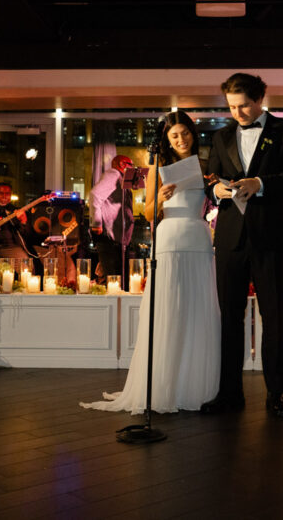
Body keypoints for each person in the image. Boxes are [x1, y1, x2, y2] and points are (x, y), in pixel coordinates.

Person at [83, 112, 220, 413]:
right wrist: (159, 198)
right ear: (167, 140)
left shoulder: (205, 165)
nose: (181, 139)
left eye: (185, 133)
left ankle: (195, 384)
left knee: (198, 309)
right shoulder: (159, 166)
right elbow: (146, 214)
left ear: (193, 134)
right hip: (169, 237)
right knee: (169, 308)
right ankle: (166, 383)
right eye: (174, 135)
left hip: (198, 237)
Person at [202, 73, 283, 420]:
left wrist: (260, 182)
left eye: (243, 105)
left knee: (273, 318)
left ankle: (276, 394)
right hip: (230, 237)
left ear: (260, 98)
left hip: (270, 235)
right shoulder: (220, 136)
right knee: (229, 318)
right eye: (232, 107)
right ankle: (229, 393)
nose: (238, 113)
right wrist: (214, 191)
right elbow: (211, 179)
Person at [88, 154, 136, 278]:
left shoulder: (119, 178)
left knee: (115, 275)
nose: (133, 168)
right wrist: (97, 223)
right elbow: (95, 195)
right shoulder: (113, 174)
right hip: (110, 238)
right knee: (113, 277)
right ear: (122, 164)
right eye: (131, 165)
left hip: (116, 238)